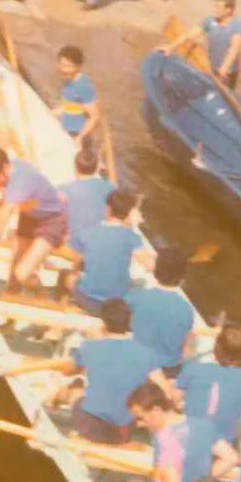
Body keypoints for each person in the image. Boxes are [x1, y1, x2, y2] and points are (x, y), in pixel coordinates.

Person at [125, 381, 236, 482]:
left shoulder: (164, 440)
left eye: (140, 418)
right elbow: (231, 458)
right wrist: (200, 480)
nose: (139, 424)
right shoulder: (203, 426)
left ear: (156, 410)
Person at [48, 298, 161, 446]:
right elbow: (163, 389)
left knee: (76, 384)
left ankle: (51, 404)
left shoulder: (90, 347)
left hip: (89, 427)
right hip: (122, 433)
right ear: (130, 321)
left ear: (103, 322)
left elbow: (67, 372)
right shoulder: (146, 353)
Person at [0, 146, 68, 289]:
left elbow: (1, 222)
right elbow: (1, 210)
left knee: (21, 274)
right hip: (30, 213)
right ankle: (12, 291)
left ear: (5, 167)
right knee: (13, 272)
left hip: (53, 220)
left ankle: (41, 293)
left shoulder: (19, 182)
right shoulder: (11, 166)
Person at [173, 324, 241, 443]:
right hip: (221, 446)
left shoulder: (192, 369)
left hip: (188, 439)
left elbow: (174, 399)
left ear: (216, 347)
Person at [71, 187, 152, 315]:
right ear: (129, 213)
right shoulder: (132, 238)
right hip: (114, 306)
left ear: (108, 209)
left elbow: (75, 264)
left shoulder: (87, 233)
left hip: (86, 300)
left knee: (68, 277)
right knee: (140, 284)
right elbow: (150, 265)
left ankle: (66, 305)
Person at [126, 245, 194, 377]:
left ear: (155, 270)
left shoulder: (135, 297)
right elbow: (184, 348)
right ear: (182, 278)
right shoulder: (186, 311)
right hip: (167, 369)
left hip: (139, 360)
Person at [59, 143, 115, 255]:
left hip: (75, 248)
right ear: (96, 168)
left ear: (75, 168)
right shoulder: (110, 188)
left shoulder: (64, 189)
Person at [53, 45, 100, 143]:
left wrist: (79, 138)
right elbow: (70, 106)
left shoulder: (83, 86)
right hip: (66, 130)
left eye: (69, 66)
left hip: (77, 134)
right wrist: (53, 113)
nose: (64, 69)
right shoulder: (68, 80)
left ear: (78, 66)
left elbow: (94, 117)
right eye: (62, 65)